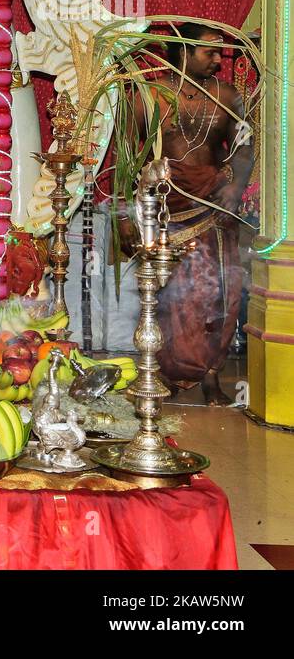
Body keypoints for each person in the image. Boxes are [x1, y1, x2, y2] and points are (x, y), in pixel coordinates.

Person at [138, 23, 254, 404]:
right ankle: (165, 372)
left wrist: (233, 188)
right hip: (166, 207)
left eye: (221, 53)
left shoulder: (227, 96)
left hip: (213, 207)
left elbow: (244, 148)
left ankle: (210, 375)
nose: (220, 61)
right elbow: (129, 157)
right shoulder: (148, 96)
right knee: (171, 296)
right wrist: (127, 215)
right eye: (211, 52)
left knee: (218, 291)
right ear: (183, 52)